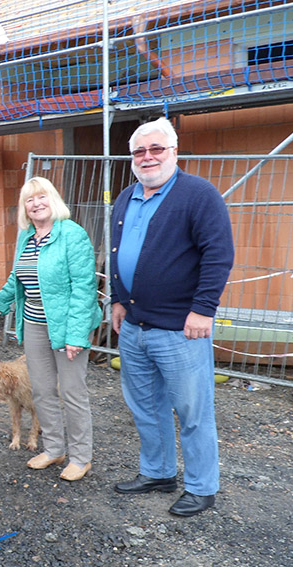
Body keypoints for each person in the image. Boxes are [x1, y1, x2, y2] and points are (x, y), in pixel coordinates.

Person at [110, 117, 234, 517]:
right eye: (140, 151)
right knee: (145, 407)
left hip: (181, 328)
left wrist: (203, 309)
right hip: (134, 325)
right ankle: (158, 472)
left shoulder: (198, 195)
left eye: (156, 149)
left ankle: (201, 487)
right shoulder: (126, 197)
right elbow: (117, 253)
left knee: (193, 411)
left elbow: (218, 255)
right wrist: (117, 300)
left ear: (174, 152)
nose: (148, 157)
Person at [0, 177, 101, 481]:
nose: (36, 204)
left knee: (72, 392)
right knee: (41, 391)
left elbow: (84, 288)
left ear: (53, 199)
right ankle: (54, 449)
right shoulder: (27, 237)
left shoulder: (72, 235)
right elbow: (18, 279)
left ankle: (81, 457)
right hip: (35, 324)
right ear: (25, 208)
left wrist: (77, 335)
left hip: (67, 327)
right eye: (29, 199)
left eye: (41, 197)